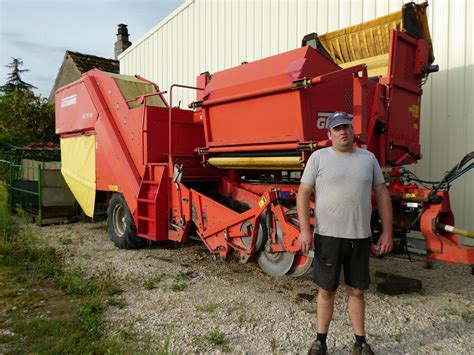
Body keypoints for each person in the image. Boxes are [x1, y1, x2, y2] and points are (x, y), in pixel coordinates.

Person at [297, 111, 393, 355]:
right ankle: (320, 341)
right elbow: (303, 193)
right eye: (337, 128)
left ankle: (360, 343)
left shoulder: (367, 159)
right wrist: (305, 230)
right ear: (329, 134)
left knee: (357, 290)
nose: (342, 132)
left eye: (346, 127)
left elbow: (382, 194)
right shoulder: (318, 158)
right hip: (328, 236)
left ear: (353, 131)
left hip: (360, 237)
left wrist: (387, 232)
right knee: (326, 289)